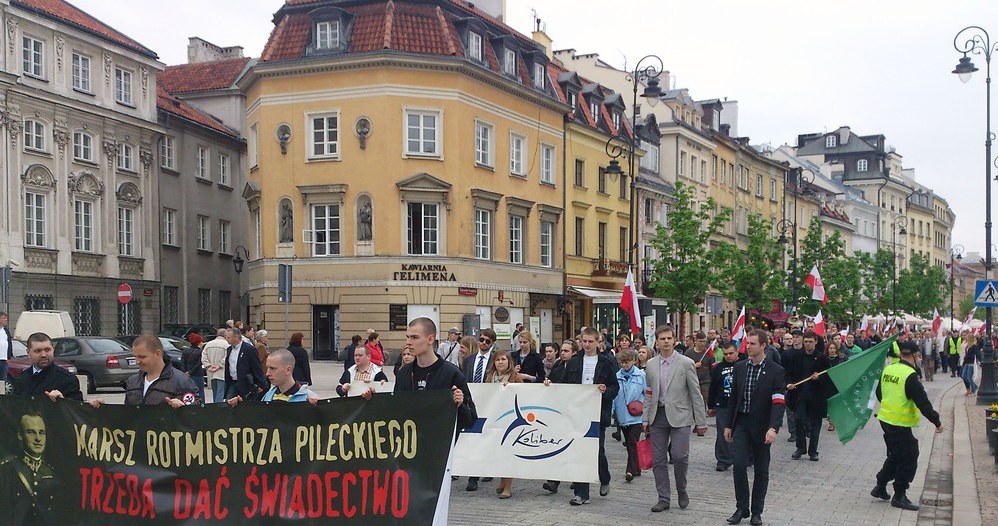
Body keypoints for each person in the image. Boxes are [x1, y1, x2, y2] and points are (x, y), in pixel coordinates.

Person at [871, 340, 944, 511]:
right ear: (915, 355)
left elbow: (879, 393)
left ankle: (880, 486)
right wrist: (937, 421)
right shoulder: (909, 375)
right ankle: (899, 495)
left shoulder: (888, 369)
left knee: (896, 454)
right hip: (899, 422)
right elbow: (923, 402)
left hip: (885, 419)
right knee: (909, 456)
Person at [549, 327, 618, 505]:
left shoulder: (606, 362)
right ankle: (582, 493)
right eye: (584, 341)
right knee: (580, 451)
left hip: (597, 411)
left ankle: (604, 477)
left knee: (597, 451)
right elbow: (563, 385)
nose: (587, 345)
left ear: (598, 342)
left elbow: (614, 387)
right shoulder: (573, 362)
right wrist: (550, 384)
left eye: (590, 341)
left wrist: (606, 390)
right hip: (577, 413)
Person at [724, 330, 786, 526]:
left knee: (761, 470)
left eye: (751, 343)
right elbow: (733, 398)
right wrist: (728, 425)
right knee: (739, 464)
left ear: (762, 346)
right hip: (741, 422)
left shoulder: (776, 370)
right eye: (747, 343)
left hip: (762, 425)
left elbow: (778, 401)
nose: (747, 347)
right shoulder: (740, 367)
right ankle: (742, 507)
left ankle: (757, 511)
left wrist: (773, 428)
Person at [643, 325, 708, 512]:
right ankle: (663, 497)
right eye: (662, 339)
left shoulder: (686, 363)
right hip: (658, 415)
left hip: (680, 415)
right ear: (656, 341)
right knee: (659, 460)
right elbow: (648, 393)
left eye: (669, 338)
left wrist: (701, 422)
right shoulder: (651, 364)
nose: (665, 342)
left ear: (674, 340)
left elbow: (695, 393)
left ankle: (682, 489)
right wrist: (645, 418)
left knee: (680, 456)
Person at [394, 317, 475, 434]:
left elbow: (470, 420)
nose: (408, 342)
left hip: (440, 445)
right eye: (407, 337)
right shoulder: (403, 373)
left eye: (414, 337)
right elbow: (395, 411)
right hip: (410, 445)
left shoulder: (452, 373)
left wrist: (460, 405)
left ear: (430, 339)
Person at [91, 334, 199, 407]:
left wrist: (183, 407)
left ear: (158, 353)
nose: (137, 361)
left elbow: (198, 415)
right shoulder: (133, 381)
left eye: (142, 357)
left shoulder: (182, 381)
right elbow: (126, 415)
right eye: (135, 357)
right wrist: (103, 409)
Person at [0, 411, 57, 525]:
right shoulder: (7, 469)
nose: (38, 438)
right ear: (20, 435)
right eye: (31, 432)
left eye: (41, 433)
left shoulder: (51, 472)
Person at [459, 328, 496, 491]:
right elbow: (463, 379)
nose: (483, 343)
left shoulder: (495, 359)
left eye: (487, 341)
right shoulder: (469, 360)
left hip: (489, 402)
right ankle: (472, 477)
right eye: (481, 339)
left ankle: (485, 468)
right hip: (470, 403)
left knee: (486, 436)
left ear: (492, 343)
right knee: (472, 437)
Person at [786, 331, 830, 461]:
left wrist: (819, 378)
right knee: (799, 420)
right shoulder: (797, 357)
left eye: (810, 342)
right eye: (806, 341)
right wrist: (789, 383)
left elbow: (828, 378)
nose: (808, 344)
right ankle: (800, 447)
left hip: (816, 397)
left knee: (815, 424)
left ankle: (813, 451)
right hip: (800, 395)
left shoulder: (822, 358)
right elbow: (788, 373)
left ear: (816, 342)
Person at [485, 349, 522, 499]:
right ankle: (502, 479)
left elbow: (524, 395)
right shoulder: (489, 377)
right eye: (498, 360)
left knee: (508, 453)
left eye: (503, 359)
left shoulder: (515, 377)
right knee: (497, 453)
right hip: (494, 419)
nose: (500, 362)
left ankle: (508, 487)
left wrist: (512, 389)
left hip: (510, 419)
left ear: (509, 362)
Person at [10, 332, 83, 401]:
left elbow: (77, 411)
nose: (43, 355)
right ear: (28, 352)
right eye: (38, 351)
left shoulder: (67, 379)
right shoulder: (23, 377)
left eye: (47, 350)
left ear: (53, 350)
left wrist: (63, 401)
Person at [228, 349, 318, 405]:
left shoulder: (309, 398)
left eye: (272, 368)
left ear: (288, 370)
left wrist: (317, 410)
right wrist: (241, 407)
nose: (267, 373)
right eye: (267, 368)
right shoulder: (268, 396)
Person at [612, 349, 647, 482]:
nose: (624, 365)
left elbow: (647, 393)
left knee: (633, 441)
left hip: (637, 415)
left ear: (633, 361)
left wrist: (643, 406)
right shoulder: (616, 376)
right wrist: (612, 412)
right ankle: (636, 468)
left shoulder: (641, 375)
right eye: (622, 362)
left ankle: (630, 470)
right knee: (630, 443)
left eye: (627, 362)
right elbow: (614, 397)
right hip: (622, 415)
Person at [708, 341, 740, 471]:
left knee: (740, 432)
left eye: (731, 353)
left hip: (740, 405)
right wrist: (710, 405)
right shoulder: (718, 368)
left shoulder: (743, 364)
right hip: (723, 405)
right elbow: (713, 387)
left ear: (737, 352)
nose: (728, 356)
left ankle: (744, 457)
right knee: (722, 433)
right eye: (725, 354)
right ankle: (723, 459)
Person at [224, 327, 267, 400]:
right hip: (233, 382)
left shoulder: (249, 349)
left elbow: (256, 366)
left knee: (246, 404)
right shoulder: (229, 349)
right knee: (229, 403)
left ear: (236, 337)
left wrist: (260, 383)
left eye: (228, 337)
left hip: (246, 383)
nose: (226, 339)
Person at [684, 331, 715, 407]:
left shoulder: (708, 353)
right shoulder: (688, 353)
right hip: (693, 380)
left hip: (705, 381)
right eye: (700, 341)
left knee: (703, 401)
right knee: (693, 401)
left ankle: (702, 416)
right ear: (695, 341)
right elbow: (684, 368)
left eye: (704, 341)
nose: (702, 343)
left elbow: (712, 368)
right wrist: (694, 366)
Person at [201, 328, 230, 403]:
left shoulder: (209, 344)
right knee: (220, 392)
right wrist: (219, 365)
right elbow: (227, 357)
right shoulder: (226, 345)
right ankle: (219, 410)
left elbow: (203, 357)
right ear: (225, 335)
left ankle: (214, 408)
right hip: (221, 372)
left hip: (210, 372)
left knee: (214, 392)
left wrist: (208, 366)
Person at [182, 333, 206, 403]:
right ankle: (202, 405)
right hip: (198, 374)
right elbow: (199, 363)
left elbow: (182, 362)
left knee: (189, 391)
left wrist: (185, 372)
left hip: (187, 374)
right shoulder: (200, 352)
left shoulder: (185, 351)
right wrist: (191, 372)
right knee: (200, 391)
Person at [1, 312, 12, 386]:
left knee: (3, 379)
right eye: (4, 318)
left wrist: (9, 355)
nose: (6, 320)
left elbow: (9, 343)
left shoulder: (5, 331)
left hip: (3, 360)